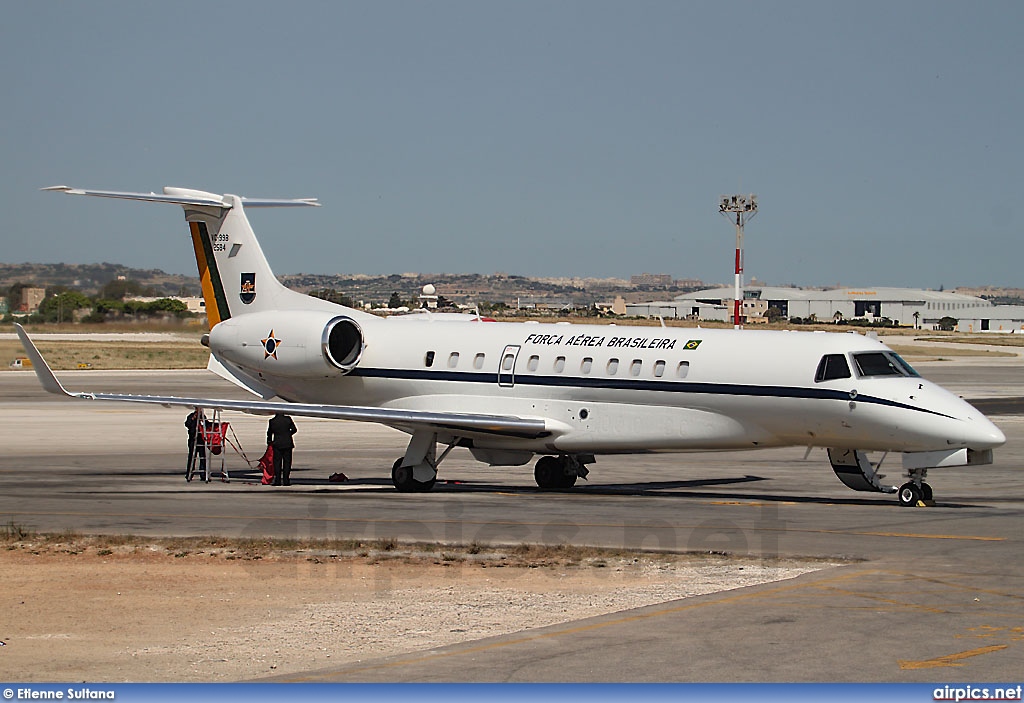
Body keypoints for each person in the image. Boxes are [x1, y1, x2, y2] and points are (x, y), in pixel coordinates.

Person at [267, 412, 297, 486]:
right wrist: (288, 435)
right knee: (287, 462)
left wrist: (269, 441)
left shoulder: (272, 421)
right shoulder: (288, 419)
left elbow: (269, 433)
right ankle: (286, 480)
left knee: (277, 463)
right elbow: (294, 429)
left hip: (277, 443)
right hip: (287, 443)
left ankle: (277, 480)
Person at [184, 407, 207, 478]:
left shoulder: (203, 417)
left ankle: (203, 474)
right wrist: (193, 418)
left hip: (201, 440)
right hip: (193, 439)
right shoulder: (191, 416)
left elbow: (206, 425)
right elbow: (187, 424)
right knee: (191, 457)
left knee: (202, 457)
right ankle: (189, 474)